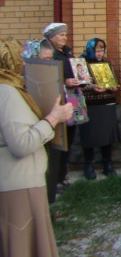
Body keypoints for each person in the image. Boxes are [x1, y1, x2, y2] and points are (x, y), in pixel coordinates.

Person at [0, 37, 73, 257]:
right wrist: (53, 119)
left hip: (19, 182)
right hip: (18, 185)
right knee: (22, 250)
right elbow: (21, 143)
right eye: (18, 56)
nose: (23, 62)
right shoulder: (6, 92)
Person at [43, 22, 78, 203]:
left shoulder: (67, 52)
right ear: (51, 37)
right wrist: (65, 81)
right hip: (55, 103)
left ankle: (63, 175)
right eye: (61, 35)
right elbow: (46, 78)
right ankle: (54, 179)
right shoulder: (48, 54)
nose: (65, 38)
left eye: (65, 34)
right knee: (57, 142)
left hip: (70, 101)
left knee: (69, 139)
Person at [79, 38, 121, 180]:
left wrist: (114, 86)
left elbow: (112, 80)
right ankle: (88, 164)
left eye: (102, 50)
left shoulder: (106, 62)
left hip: (106, 104)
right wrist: (91, 87)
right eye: (97, 51)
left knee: (107, 136)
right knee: (89, 136)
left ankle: (107, 163)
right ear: (90, 50)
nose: (99, 54)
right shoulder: (82, 63)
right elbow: (80, 84)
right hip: (90, 105)